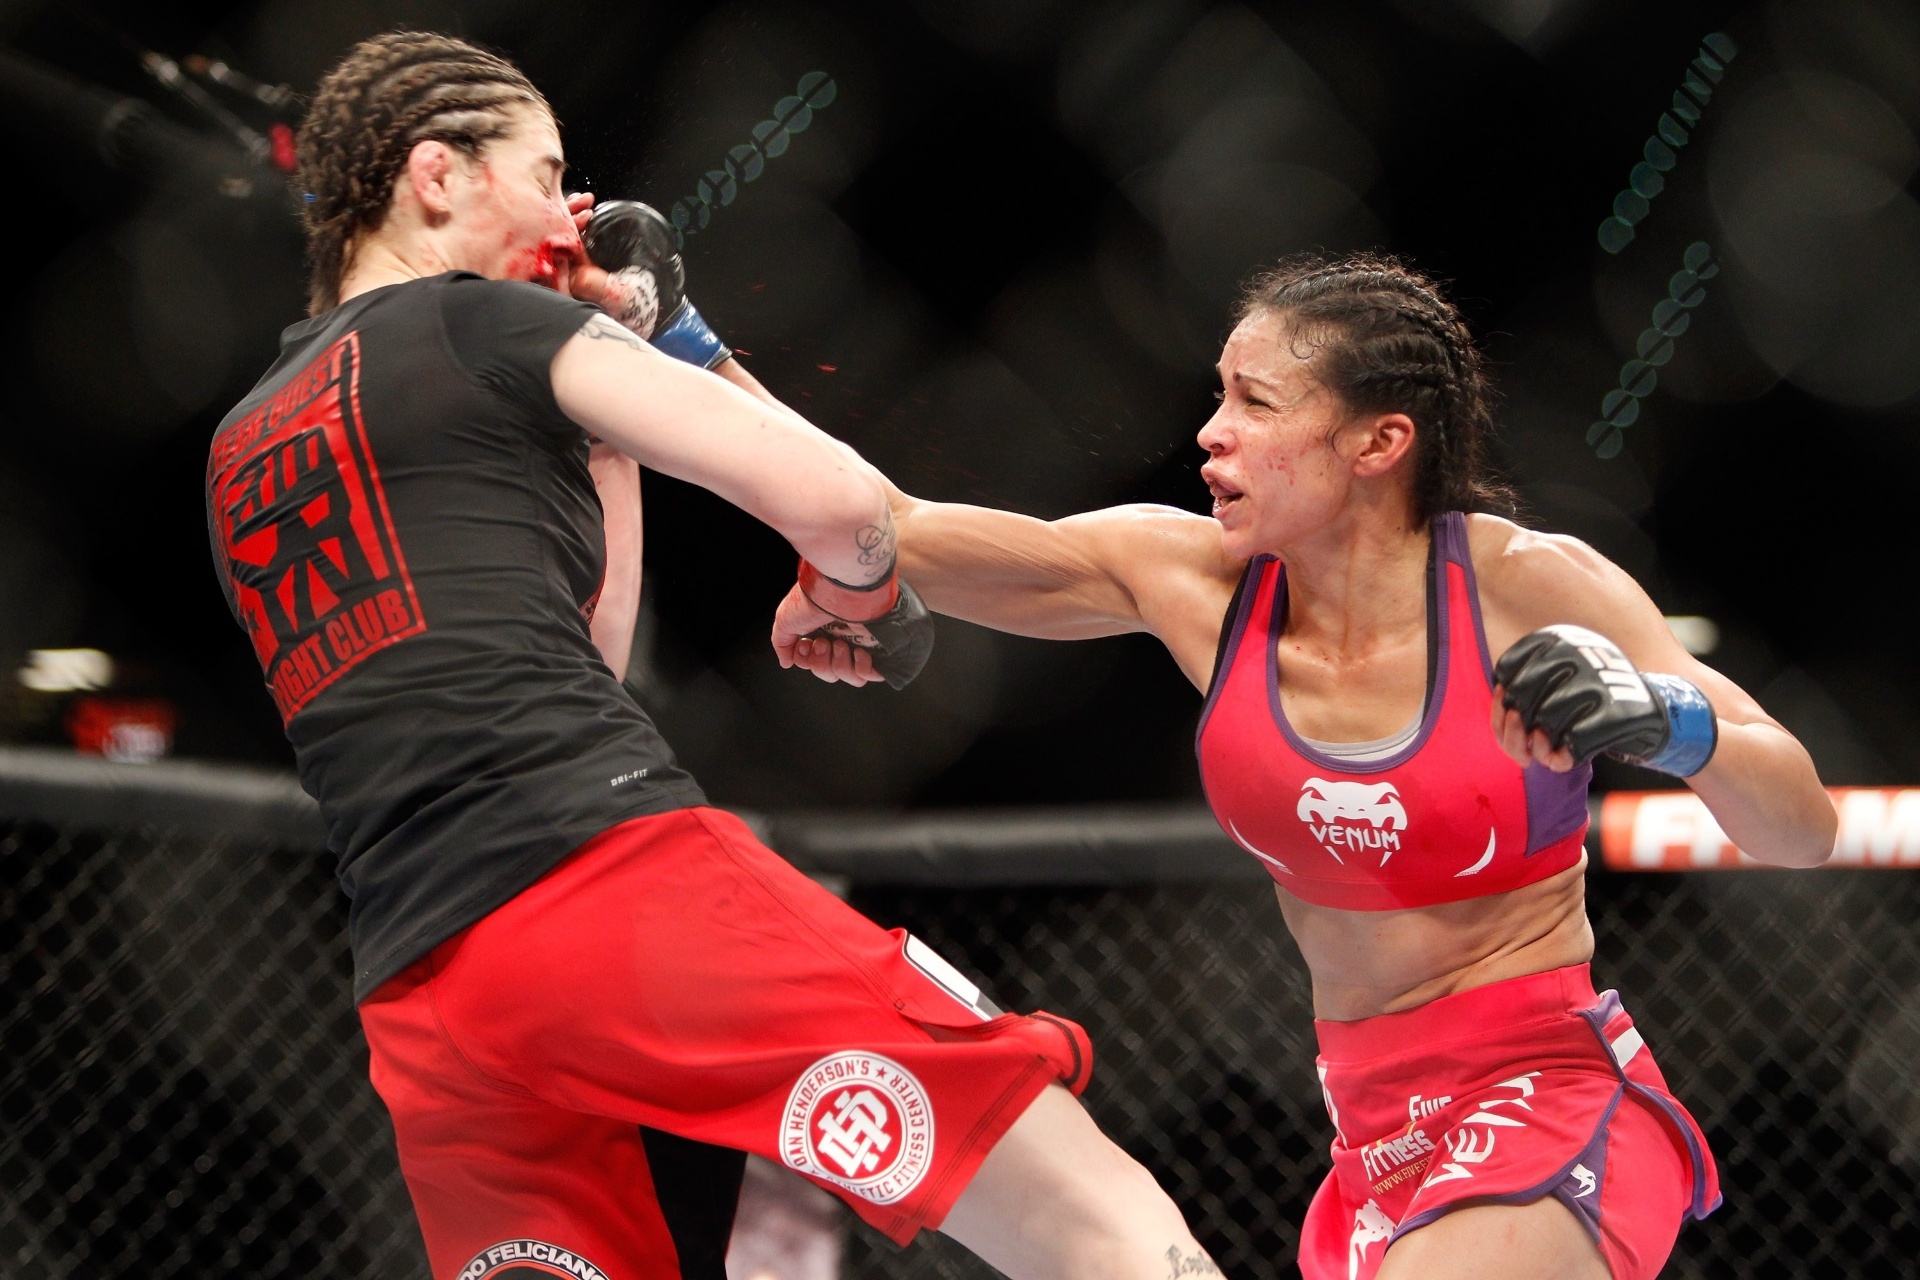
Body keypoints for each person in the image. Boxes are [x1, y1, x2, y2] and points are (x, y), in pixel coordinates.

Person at [204, 31, 1218, 1280]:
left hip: (431, 991)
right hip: (614, 884)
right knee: (1071, 1186)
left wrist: (600, 398)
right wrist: (861, 589)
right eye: (545, 169)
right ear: (436, 175)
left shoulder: (246, 438)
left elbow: (593, 653)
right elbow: (843, 501)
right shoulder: (482, 322)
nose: (569, 208)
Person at [775, 254, 1837, 1280]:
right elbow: (882, 526)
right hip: (1365, 1132)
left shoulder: (1528, 588)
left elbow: (1803, 825)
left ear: (1378, 441)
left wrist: (1667, 717)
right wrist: (677, 350)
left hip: (1541, 1091)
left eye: (1256, 401)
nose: (1211, 430)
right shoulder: (1190, 580)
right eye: (1217, 393)